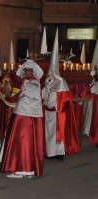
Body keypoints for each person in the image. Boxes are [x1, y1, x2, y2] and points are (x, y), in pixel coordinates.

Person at [0, 60, 45, 178]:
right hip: (26, 114)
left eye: (28, 70)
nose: (26, 72)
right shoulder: (27, 82)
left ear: (33, 71)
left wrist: (11, 98)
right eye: (25, 70)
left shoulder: (33, 83)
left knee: (22, 140)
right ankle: (25, 169)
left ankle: (23, 169)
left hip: (25, 115)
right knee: (24, 141)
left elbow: (24, 96)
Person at [42, 29, 79, 160]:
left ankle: (59, 153)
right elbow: (43, 94)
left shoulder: (61, 82)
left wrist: (59, 109)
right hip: (48, 111)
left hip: (58, 112)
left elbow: (65, 99)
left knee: (57, 133)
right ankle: (50, 152)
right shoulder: (47, 80)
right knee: (48, 133)